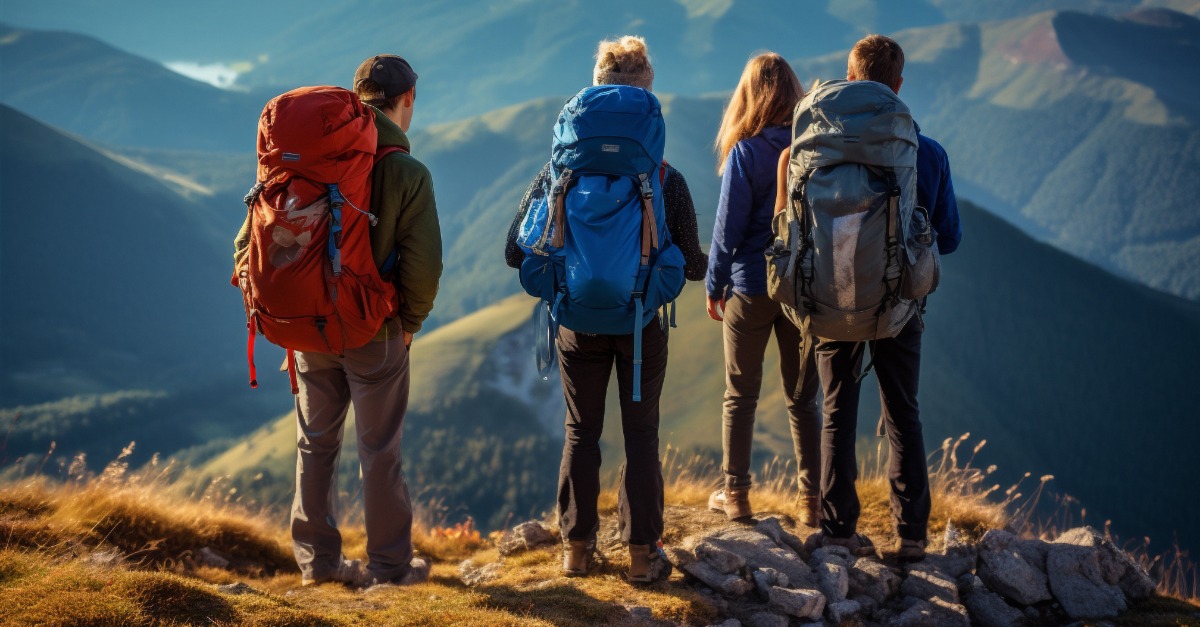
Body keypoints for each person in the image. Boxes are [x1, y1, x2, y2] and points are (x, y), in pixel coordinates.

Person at [504, 36, 706, 583]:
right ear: (646, 95)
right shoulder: (665, 179)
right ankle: (642, 556)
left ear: (594, 88)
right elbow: (690, 265)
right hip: (640, 323)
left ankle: (576, 550)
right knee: (641, 435)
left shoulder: (559, 173)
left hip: (575, 320)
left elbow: (513, 250)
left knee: (580, 431)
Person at [235, 54, 443, 586]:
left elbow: (245, 242)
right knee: (379, 452)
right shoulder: (405, 171)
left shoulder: (304, 157)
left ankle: (318, 568)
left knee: (315, 443)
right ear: (408, 100)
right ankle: (390, 569)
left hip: (306, 326)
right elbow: (423, 265)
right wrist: (410, 322)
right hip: (375, 330)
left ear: (356, 97)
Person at [793, 35, 961, 560]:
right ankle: (911, 534)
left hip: (828, 300)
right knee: (901, 412)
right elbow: (949, 238)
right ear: (898, 84)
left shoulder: (813, 147)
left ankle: (839, 531)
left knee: (838, 411)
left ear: (847, 74)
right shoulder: (923, 152)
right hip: (897, 305)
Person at [704, 53, 822, 527]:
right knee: (803, 399)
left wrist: (715, 284)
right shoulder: (812, 148)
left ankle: (736, 496)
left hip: (750, 287)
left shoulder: (745, 152)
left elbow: (725, 230)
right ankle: (811, 503)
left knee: (740, 394)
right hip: (801, 290)